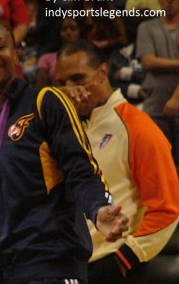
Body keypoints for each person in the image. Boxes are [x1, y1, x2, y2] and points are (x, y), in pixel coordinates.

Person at [0, 18, 128, 284]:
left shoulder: (45, 102)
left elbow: (81, 170)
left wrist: (99, 208)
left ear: (16, 54)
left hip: (51, 268)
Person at [54, 39, 179, 284]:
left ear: (102, 72)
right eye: (61, 83)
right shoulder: (61, 130)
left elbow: (167, 209)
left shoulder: (138, 128)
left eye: (78, 79)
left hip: (111, 266)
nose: (70, 90)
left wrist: (123, 260)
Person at [136, 0, 179, 167]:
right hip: (155, 106)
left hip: (176, 105)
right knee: (159, 164)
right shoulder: (147, 27)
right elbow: (148, 61)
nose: (169, 0)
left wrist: (176, 98)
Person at [36, 17, 81, 87]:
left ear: (80, 32)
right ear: (59, 33)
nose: (68, 32)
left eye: (73, 28)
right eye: (64, 29)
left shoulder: (89, 56)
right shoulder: (46, 58)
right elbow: (41, 87)